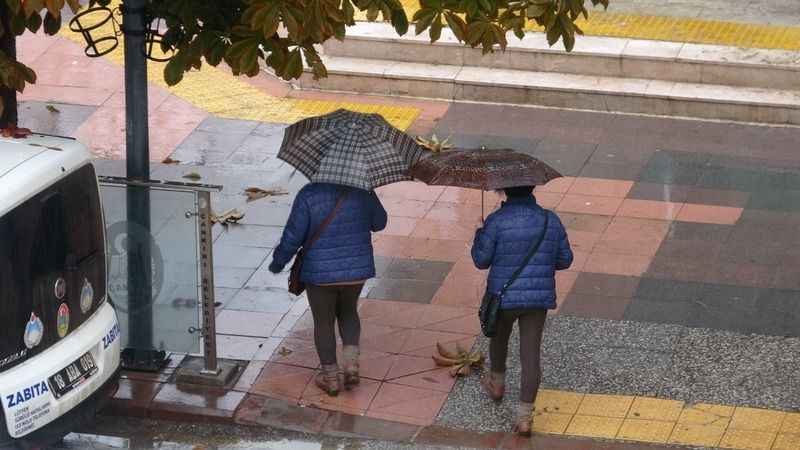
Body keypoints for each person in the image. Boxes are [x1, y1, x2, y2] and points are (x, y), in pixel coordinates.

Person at [471, 185, 573, 436]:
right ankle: (524, 417)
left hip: (502, 297)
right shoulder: (550, 219)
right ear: (532, 188)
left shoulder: (496, 221)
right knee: (530, 356)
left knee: (498, 340)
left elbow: (480, 260)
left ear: (504, 190)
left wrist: (480, 234)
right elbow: (565, 259)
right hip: (537, 300)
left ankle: (497, 384)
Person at [268, 182, 387, 396]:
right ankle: (351, 366)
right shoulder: (363, 190)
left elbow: (293, 236)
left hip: (319, 272)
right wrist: (370, 195)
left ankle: (330, 377)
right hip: (356, 270)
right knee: (349, 312)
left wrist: (278, 263)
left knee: (323, 322)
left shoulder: (309, 194)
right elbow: (380, 223)